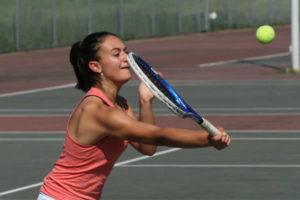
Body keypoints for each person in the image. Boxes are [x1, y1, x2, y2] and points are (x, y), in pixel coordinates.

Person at [38, 31, 231, 200]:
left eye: (125, 51)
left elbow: (147, 147)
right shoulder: (97, 110)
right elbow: (158, 136)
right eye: (116, 54)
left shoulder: (121, 105)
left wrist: (145, 100)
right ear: (96, 67)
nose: (126, 58)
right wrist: (208, 139)